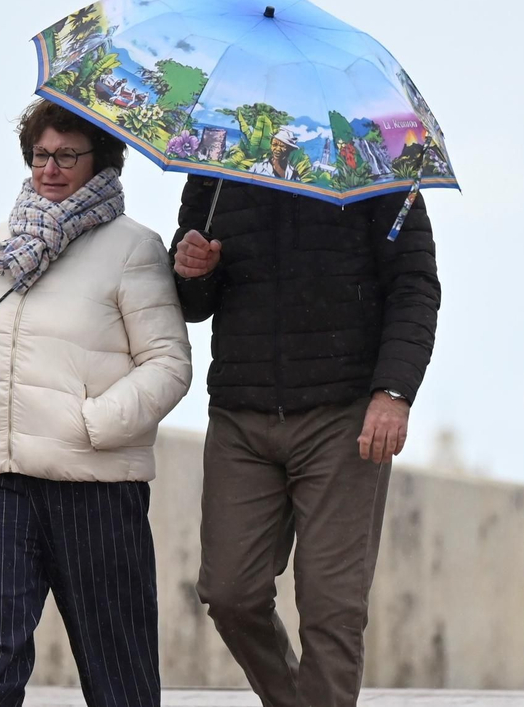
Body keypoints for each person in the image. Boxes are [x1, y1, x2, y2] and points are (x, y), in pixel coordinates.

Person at [0, 99, 193, 707]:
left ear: (101, 163)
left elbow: (170, 364)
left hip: (91, 480)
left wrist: (90, 426)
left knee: (114, 655)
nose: (51, 168)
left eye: (68, 155)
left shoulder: (133, 248)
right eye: (42, 154)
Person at [170, 176, 440, 707]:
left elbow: (415, 285)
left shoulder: (375, 161)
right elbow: (192, 301)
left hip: (342, 416)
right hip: (240, 413)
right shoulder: (219, 158)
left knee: (331, 608)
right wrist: (189, 269)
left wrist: (393, 392)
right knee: (229, 594)